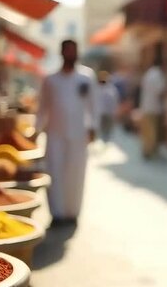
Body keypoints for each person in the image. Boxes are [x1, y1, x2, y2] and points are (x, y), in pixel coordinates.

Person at [35, 39, 99, 224]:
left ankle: (72, 212)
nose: (71, 54)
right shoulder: (50, 80)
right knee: (55, 173)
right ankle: (57, 213)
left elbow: (94, 106)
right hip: (55, 135)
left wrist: (93, 127)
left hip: (79, 136)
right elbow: (42, 108)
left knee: (75, 174)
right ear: (62, 53)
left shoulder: (86, 77)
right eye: (67, 51)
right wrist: (36, 130)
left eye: (74, 51)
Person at [139, 44, 166, 159]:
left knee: (148, 132)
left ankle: (147, 150)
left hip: (146, 106)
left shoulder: (148, 74)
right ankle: (151, 151)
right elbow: (160, 91)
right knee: (153, 132)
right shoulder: (158, 75)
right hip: (155, 107)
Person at [97, 71, 120, 144]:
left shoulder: (112, 89)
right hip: (100, 114)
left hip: (108, 114)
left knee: (107, 133)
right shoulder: (96, 88)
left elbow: (115, 102)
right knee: (100, 133)